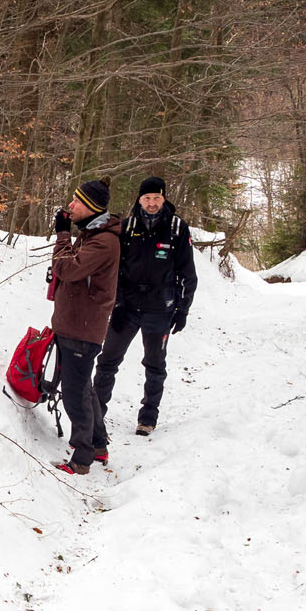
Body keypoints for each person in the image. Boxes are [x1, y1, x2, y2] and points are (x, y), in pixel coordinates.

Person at [93, 176, 197, 452]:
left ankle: (148, 418)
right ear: (139, 200)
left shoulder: (176, 228)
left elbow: (188, 274)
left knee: (154, 365)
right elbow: (110, 267)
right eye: (147, 198)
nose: (152, 203)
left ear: (164, 200)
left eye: (157, 198)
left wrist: (182, 308)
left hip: (159, 309)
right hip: (126, 307)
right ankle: (95, 414)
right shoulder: (126, 228)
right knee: (107, 362)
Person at [48, 179, 122, 475]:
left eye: (76, 202)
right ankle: (98, 445)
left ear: (91, 207)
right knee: (85, 389)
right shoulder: (93, 235)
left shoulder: (104, 241)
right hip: (75, 325)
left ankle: (82, 458)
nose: (70, 206)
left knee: (75, 392)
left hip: (82, 328)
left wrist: (62, 235)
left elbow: (66, 268)